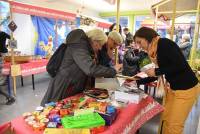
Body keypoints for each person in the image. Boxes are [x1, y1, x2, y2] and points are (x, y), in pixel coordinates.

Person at [134, 27, 199, 134]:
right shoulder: (155, 50)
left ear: (147, 38)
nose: (139, 46)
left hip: (186, 89)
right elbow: (163, 72)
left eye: (139, 42)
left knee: (174, 125)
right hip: (174, 89)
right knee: (166, 119)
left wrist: (156, 71)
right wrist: (136, 81)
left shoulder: (164, 44)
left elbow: (180, 66)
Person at [41, 29, 119, 106]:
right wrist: (113, 71)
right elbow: (90, 69)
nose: (100, 48)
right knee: (53, 108)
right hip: (64, 84)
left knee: (65, 107)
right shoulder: (79, 46)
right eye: (100, 45)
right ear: (95, 41)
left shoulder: (84, 47)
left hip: (70, 83)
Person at [0, 30, 15, 105]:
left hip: (2, 53)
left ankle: (10, 97)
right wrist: (8, 46)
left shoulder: (2, 33)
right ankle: (3, 80)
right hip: (3, 52)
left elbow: (12, 38)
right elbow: (12, 37)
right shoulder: (3, 33)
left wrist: (10, 46)